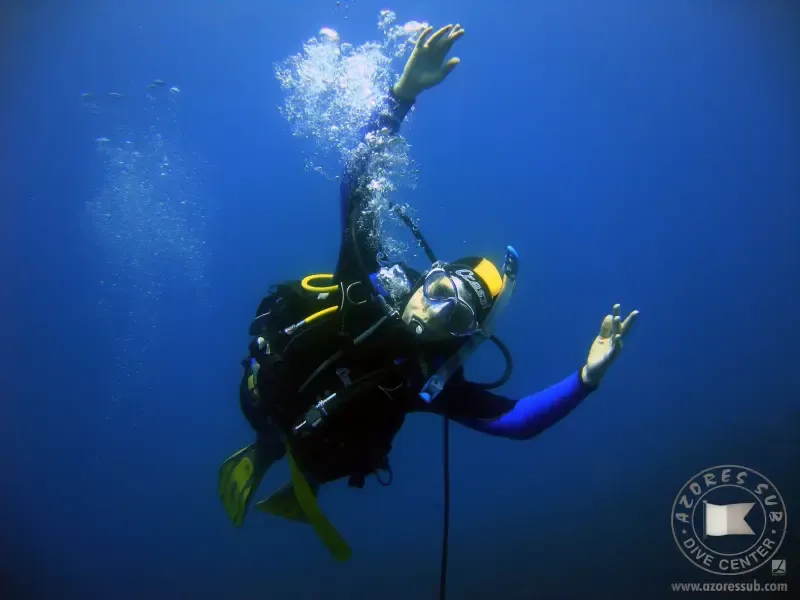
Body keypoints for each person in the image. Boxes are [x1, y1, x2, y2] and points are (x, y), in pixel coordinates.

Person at [218, 24, 639, 559]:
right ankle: (267, 446)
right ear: (425, 277)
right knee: (281, 422)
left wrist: (586, 379)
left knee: (335, 446)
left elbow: (518, 422)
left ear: (468, 332)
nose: (438, 314)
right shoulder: (366, 287)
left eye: (459, 314)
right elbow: (357, 181)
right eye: (440, 290)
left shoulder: (432, 379)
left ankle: (288, 461)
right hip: (267, 397)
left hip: (322, 449)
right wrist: (402, 94)